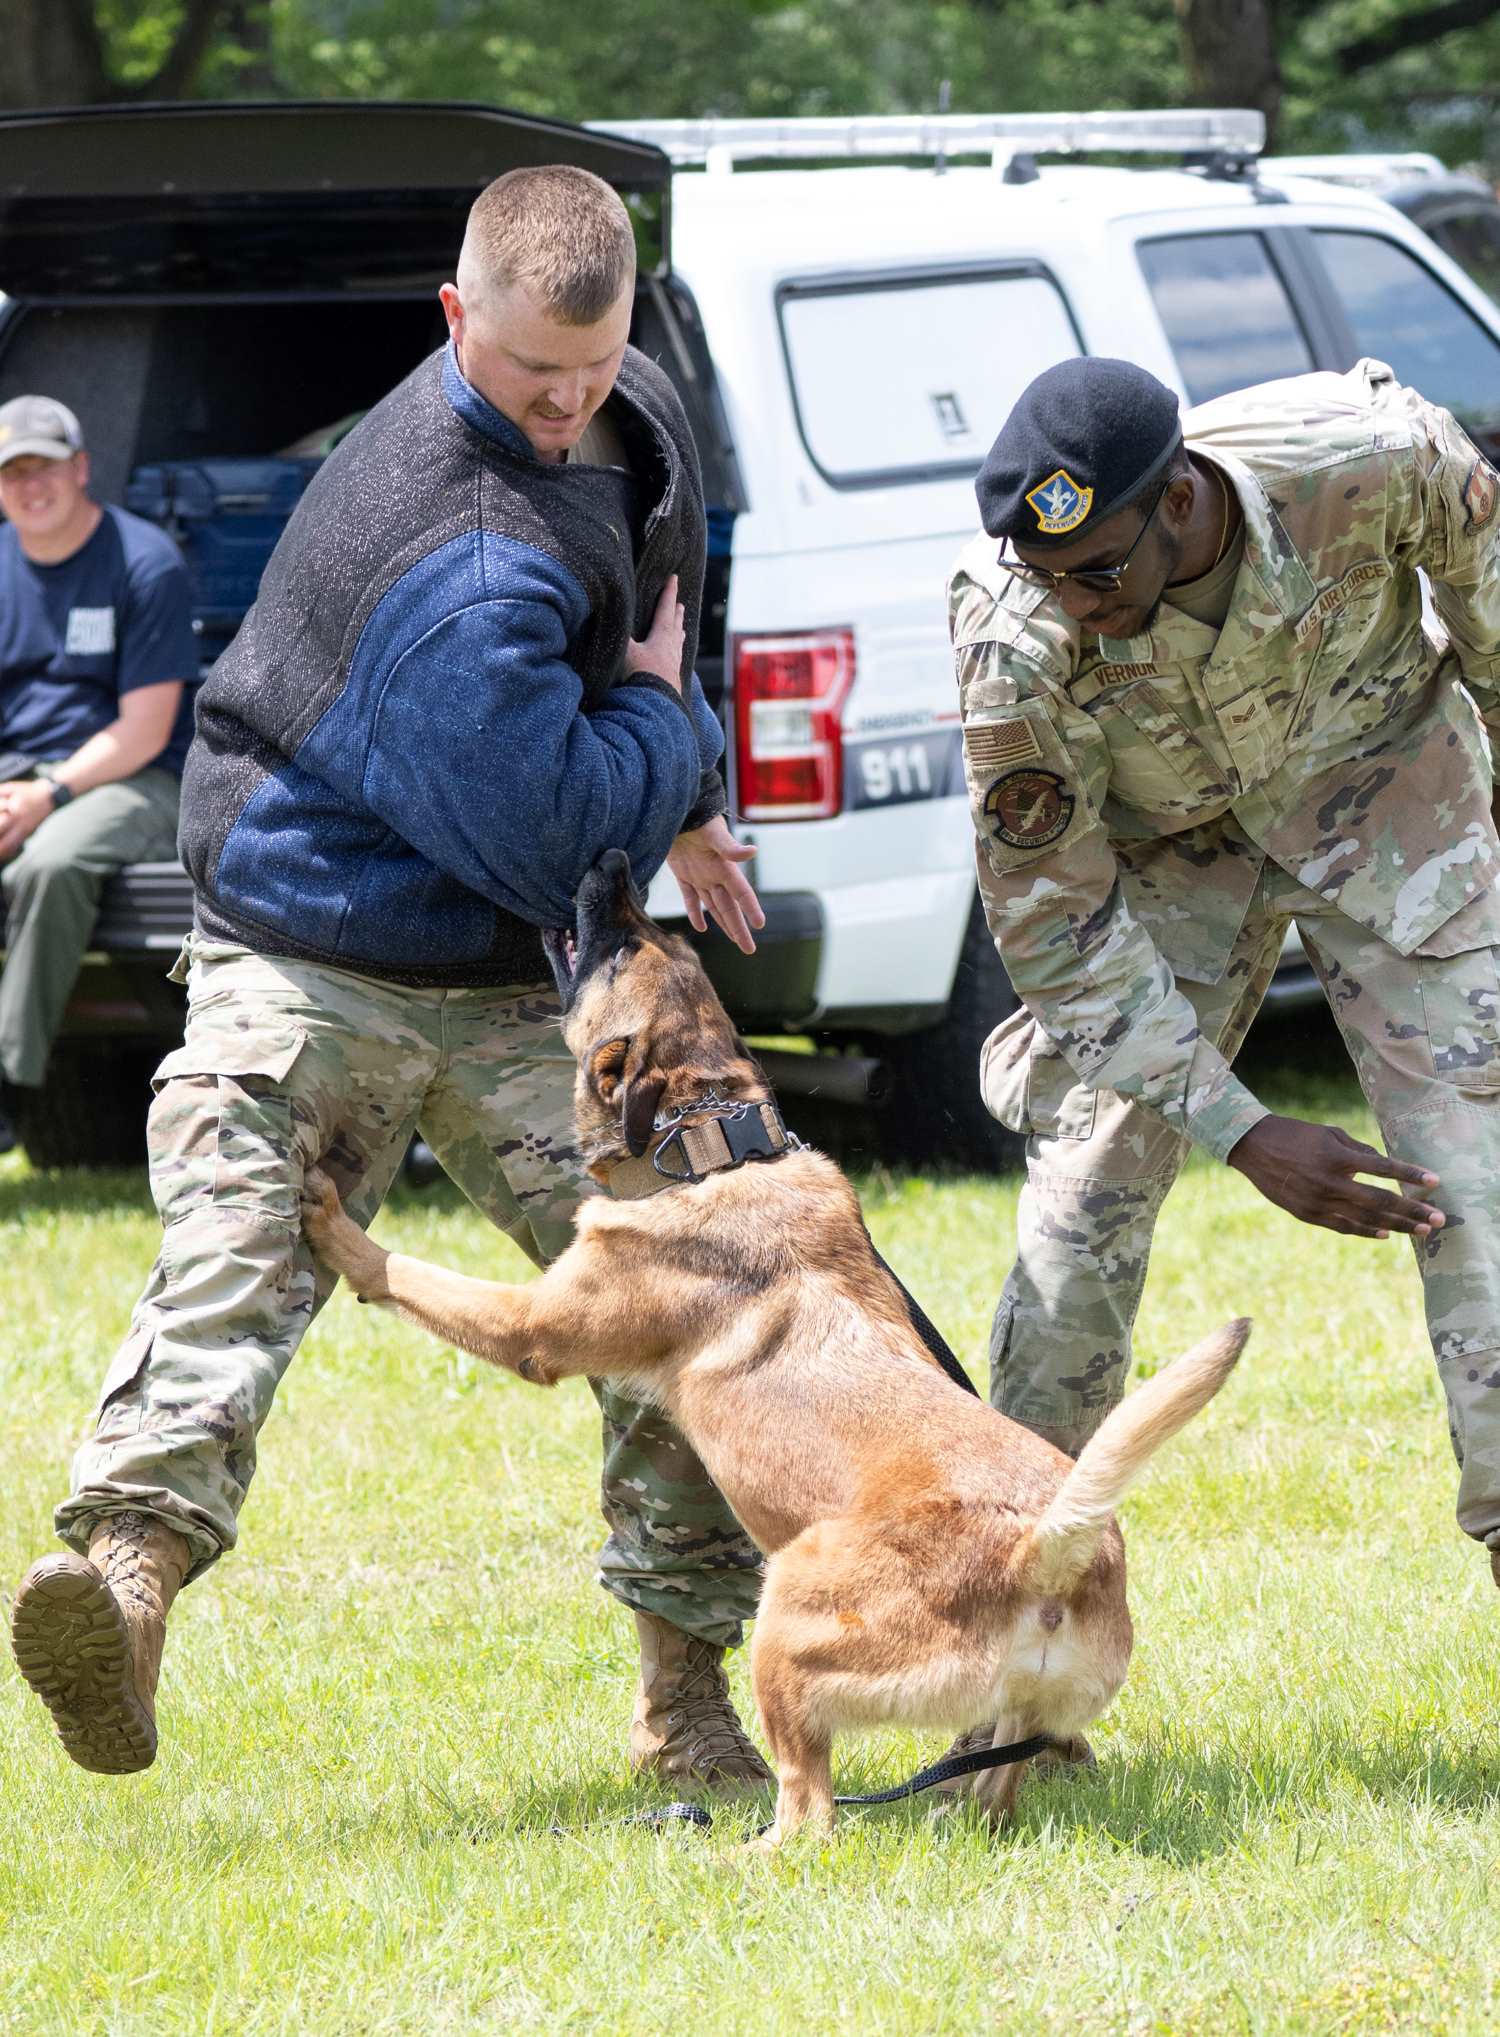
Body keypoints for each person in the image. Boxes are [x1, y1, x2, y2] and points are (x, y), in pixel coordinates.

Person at [9, 166, 772, 1786]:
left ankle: (686, 1694)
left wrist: (691, 797)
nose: (565, 408)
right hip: (314, 950)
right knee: (235, 1245)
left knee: (694, 1274)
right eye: (525, 379)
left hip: (526, 955)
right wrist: (665, 732)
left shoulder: (633, 404)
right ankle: (124, 1587)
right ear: (451, 320)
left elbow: (661, 605)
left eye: (590, 368)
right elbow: (560, 806)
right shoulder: (449, 548)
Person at [946, 354, 1500, 1612]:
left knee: (1480, 1196)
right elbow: (1056, 925)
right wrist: (1240, 1132)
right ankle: (1018, 1616)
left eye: (1099, 574)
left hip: (1390, 793)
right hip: (1170, 853)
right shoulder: (1016, 630)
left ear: (1183, 500)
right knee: (1077, 1220)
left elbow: (1491, 586)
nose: (1073, 606)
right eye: (1048, 577)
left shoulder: (1365, 460)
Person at [0, 395, 197, 1154]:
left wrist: (46, 797)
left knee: (50, 862)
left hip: (136, 776)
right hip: (22, 777)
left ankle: (11, 1088)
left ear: (80, 469)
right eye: (13, 472)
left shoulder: (144, 561)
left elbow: (145, 727)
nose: (29, 486)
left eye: (43, 467)